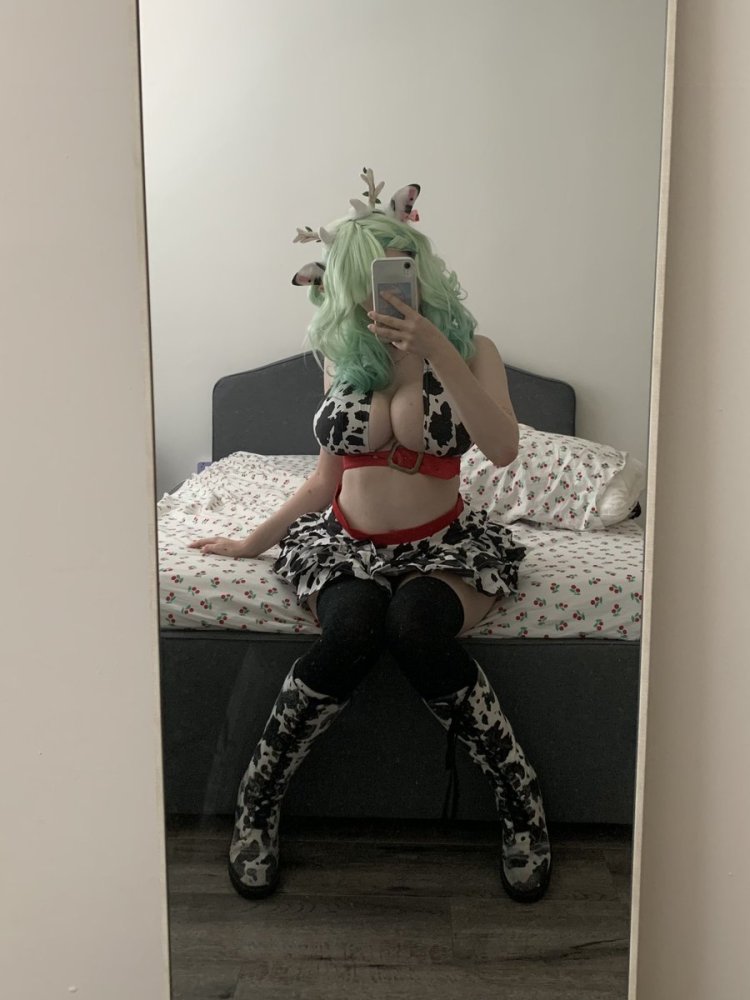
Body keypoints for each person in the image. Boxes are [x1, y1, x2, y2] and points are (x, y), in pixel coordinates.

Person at [189, 169, 552, 904]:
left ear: (418, 269)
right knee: (352, 628)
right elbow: (324, 480)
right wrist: (252, 541)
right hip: (347, 543)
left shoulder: (473, 349)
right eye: (363, 282)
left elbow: (504, 447)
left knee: (414, 626)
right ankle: (258, 802)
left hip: (442, 547)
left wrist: (435, 350)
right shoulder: (344, 357)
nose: (376, 295)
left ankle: (520, 801)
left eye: (393, 272)